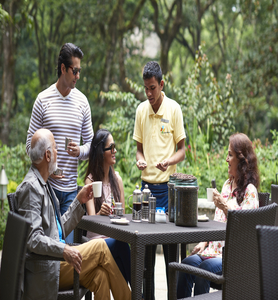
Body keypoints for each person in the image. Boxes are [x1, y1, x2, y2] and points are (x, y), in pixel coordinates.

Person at [15, 129, 131, 300]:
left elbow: (59, 230)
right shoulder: (31, 188)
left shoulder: (44, 185)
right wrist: (64, 250)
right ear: (48, 155)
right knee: (100, 246)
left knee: (101, 276)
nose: (58, 152)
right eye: (55, 149)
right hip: (49, 268)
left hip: (57, 262)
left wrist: (79, 201)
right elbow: (33, 239)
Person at [177, 133, 260, 298]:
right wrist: (203, 242)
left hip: (233, 256)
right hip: (212, 251)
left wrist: (224, 206)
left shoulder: (250, 191)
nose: (226, 159)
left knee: (204, 269)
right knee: (186, 264)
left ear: (242, 160)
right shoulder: (226, 186)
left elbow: (245, 228)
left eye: (230, 155)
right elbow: (218, 222)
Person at [26, 43, 94, 243]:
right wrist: (49, 168)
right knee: (49, 248)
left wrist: (79, 151)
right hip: (46, 189)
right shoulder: (43, 99)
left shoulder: (82, 102)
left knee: (66, 249)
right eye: (75, 71)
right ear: (63, 69)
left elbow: (91, 146)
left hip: (71, 193)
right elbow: (30, 147)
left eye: (80, 71)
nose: (78, 76)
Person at [133, 61, 186, 299]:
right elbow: (139, 150)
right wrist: (140, 160)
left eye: (152, 88)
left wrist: (169, 161)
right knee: (146, 256)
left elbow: (182, 150)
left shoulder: (174, 109)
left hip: (168, 189)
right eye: (146, 88)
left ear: (161, 84)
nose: (149, 94)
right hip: (146, 191)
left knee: (171, 253)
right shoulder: (141, 110)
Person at [84, 128, 131, 285]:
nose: (115, 150)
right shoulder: (90, 182)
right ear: (100, 152)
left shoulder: (117, 179)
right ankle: (140, 294)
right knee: (122, 246)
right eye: (111, 147)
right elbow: (91, 220)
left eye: (114, 146)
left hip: (114, 238)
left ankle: (136, 294)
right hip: (97, 241)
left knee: (125, 248)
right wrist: (99, 213)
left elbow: (122, 215)